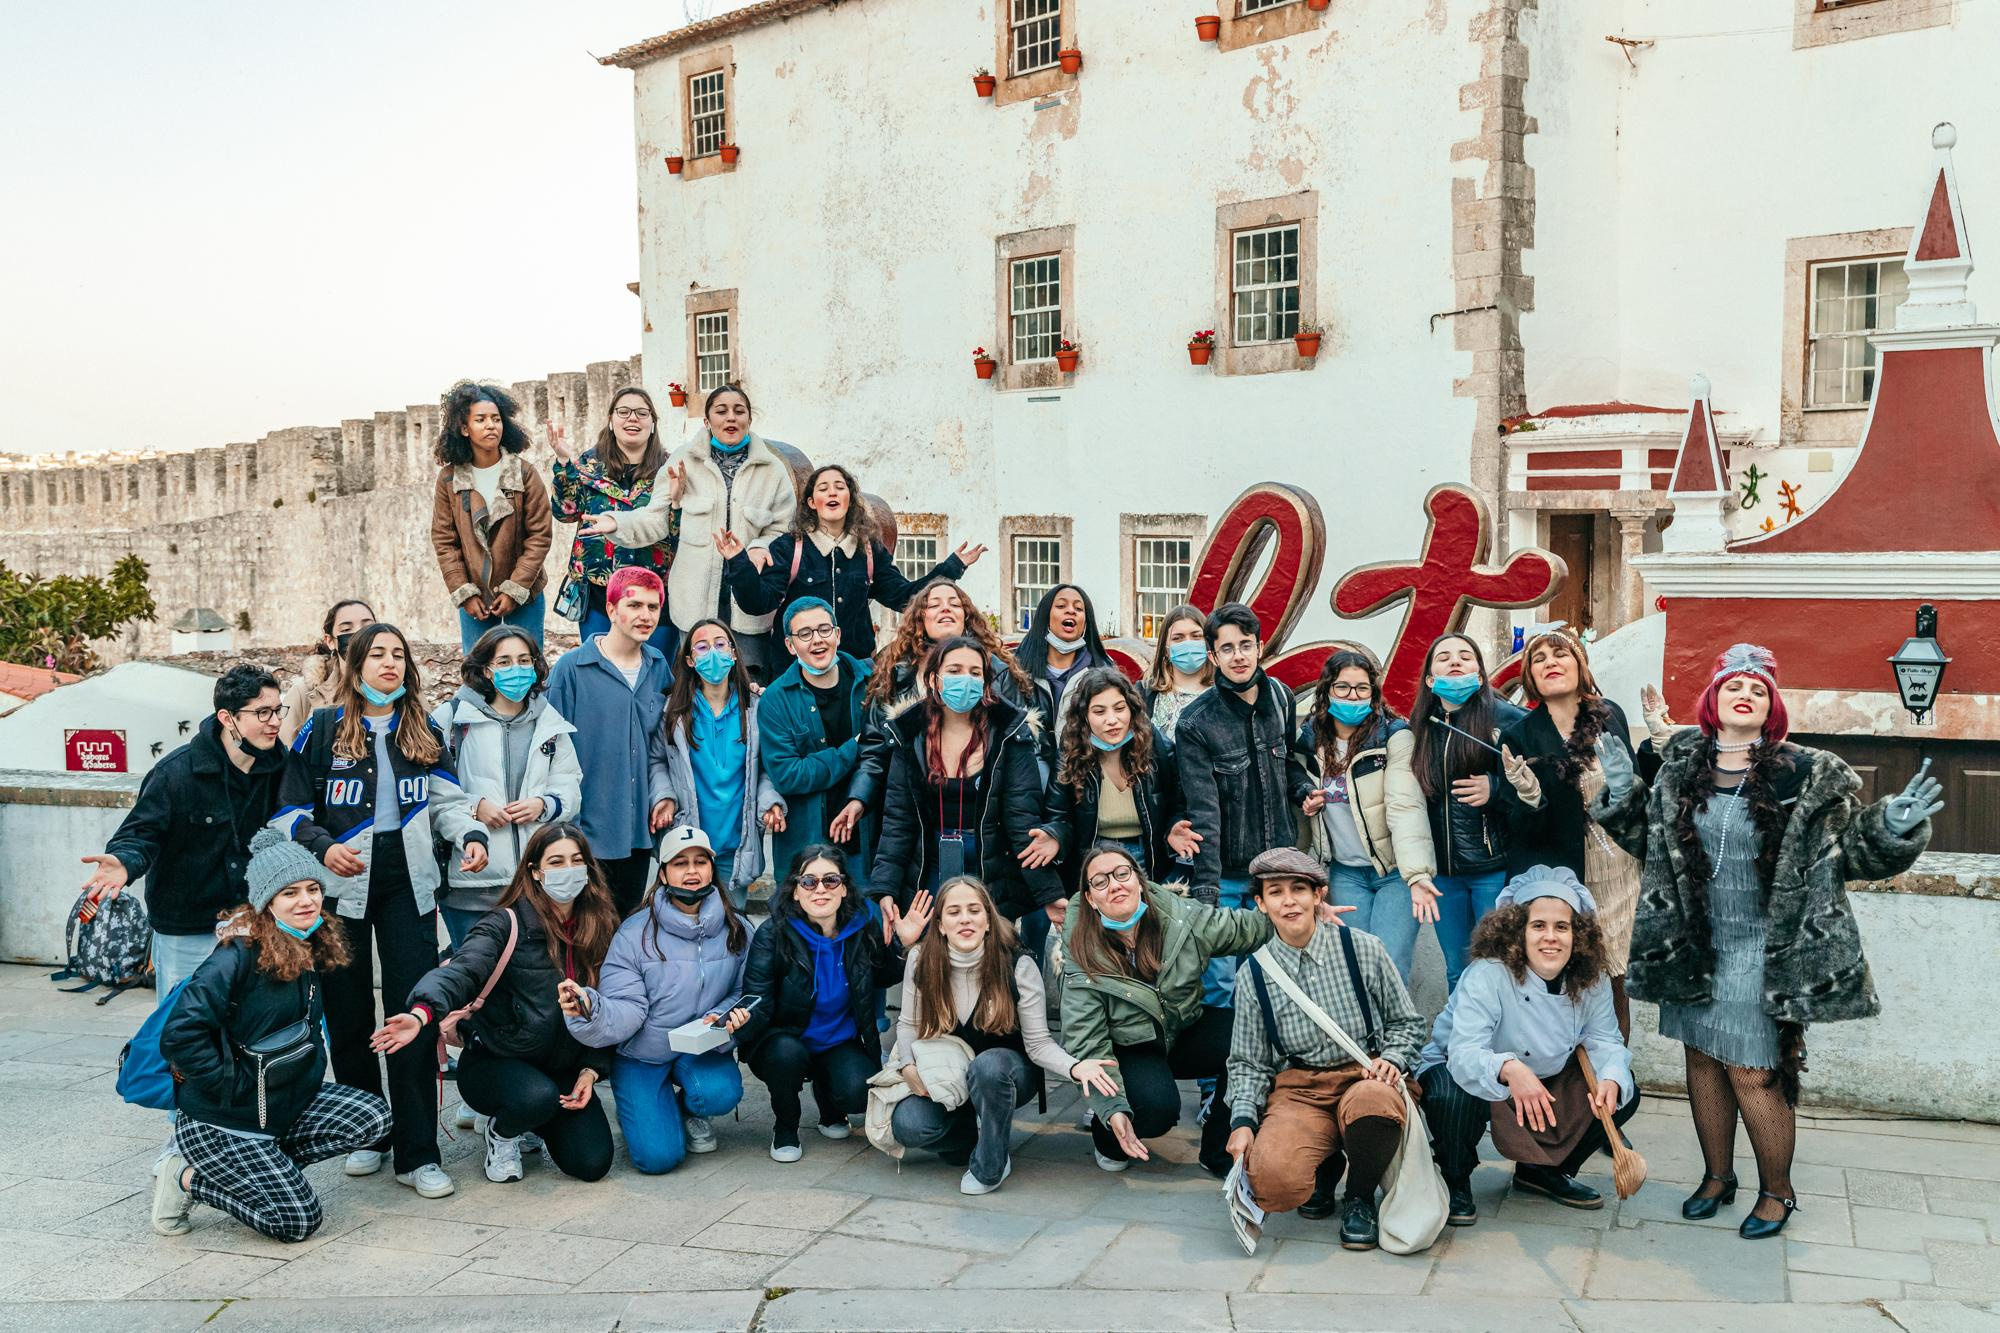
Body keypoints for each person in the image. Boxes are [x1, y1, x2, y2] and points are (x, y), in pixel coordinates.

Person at [1603, 643, 1941, 1240]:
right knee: (1702, 1060)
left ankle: (1777, 1192)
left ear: (1772, 708)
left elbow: (1851, 854)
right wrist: (1619, 794)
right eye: (1734, 685)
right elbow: (1651, 847)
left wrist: (1892, 825)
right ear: (1712, 700)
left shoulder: (1811, 775)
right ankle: (1716, 1177)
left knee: (1755, 1070)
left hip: (1766, 947)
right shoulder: (1681, 763)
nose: (1746, 693)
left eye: (1759, 689)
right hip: (1694, 942)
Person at [271, 622, 470, 1199]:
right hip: (340, 889)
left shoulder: (424, 729)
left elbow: (449, 799)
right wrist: (323, 845)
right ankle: (368, 1131)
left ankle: (418, 1151)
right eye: (377, 654)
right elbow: (287, 808)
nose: (390, 663)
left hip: (409, 884)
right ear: (355, 665)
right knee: (347, 1012)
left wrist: (471, 835)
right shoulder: (324, 727)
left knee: (412, 1011)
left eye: (398, 655)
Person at [152, 829, 392, 1242]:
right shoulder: (234, 957)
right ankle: (187, 1178)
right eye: (290, 893)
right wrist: (233, 1087)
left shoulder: (308, 943)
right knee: (297, 1222)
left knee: (373, 1119)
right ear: (266, 903)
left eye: (313, 888)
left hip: (281, 1100)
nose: (307, 901)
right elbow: (179, 1034)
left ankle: (265, 1169)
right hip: (222, 1118)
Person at [1060, 844, 1343, 1179]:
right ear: (1091, 898)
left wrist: (1300, 914)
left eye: (1122, 874)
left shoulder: (1180, 918)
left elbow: (1241, 928)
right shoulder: (1081, 950)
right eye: (1101, 881)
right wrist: (1112, 1108)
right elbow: (1087, 1043)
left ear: (1140, 881)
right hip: (1128, 1048)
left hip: (1182, 1028)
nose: (1115, 885)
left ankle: (1219, 1151)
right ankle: (1108, 1137)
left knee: (1256, 1036)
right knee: (1155, 1112)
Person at [376, 822, 622, 1185]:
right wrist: (422, 1012)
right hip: (499, 1062)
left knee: (592, 1163)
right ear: (535, 872)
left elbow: (616, 1007)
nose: (568, 870)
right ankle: (503, 1132)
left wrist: (591, 1070)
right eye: (555, 862)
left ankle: (536, 1122)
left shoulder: (602, 926)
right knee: (535, 1098)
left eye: (576, 860)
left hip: (564, 1066)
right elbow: (463, 970)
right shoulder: (505, 923)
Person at [1223, 847, 1427, 1249]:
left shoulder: (1362, 948)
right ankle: (1324, 1163)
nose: (1289, 900)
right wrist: (1242, 1121)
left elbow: (1408, 1023)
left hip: (1364, 1074)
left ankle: (1360, 1197)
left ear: (1318, 895)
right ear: (1261, 904)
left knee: (1373, 1104)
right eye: (1275, 892)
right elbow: (1248, 1061)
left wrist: (1392, 1059)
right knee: (1273, 1183)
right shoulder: (1254, 974)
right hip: (1301, 1087)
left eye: (1299, 889)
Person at [1415, 865, 1638, 1227]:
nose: (1550, 938)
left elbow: (1604, 1040)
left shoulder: (1589, 979)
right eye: (1538, 926)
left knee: (1624, 1090)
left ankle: (1542, 1171)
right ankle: (1455, 1178)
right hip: (1465, 1069)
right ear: (1517, 932)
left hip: (1545, 1074)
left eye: (1561, 927)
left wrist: (1611, 1077)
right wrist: (1509, 1068)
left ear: (1577, 934)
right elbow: (1465, 1052)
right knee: (1448, 1096)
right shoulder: (1489, 973)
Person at [890, 875, 1117, 1194]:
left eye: (974, 910)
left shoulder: (1017, 965)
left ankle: (991, 1163)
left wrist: (1075, 1067)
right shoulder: (920, 959)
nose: (965, 918)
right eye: (954, 912)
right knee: (909, 1126)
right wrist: (908, 1067)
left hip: (1005, 1074)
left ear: (987, 920)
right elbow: (908, 1023)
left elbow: (1039, 1045)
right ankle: (976, 1138)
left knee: (989, 1066)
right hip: (948, 1075)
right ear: (940, 925)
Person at [83, 665, 289, 1011]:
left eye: (277, 710)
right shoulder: (176, 773)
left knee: (247, 1021)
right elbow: (141, 833)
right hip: (187, 926)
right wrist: (123, 863)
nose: (275, 722)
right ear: (228, 717)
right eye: (262, 712)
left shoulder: (281, 767)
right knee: (184, 1022)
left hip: (256, 921)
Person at [562, 826, 754, 1172]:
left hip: (702, 1048)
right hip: (643, 1055)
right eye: (680, 863)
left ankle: (687, 1111)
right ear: (663, 872)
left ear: (712, 867)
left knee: (720, 1092)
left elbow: (745, 991)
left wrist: (726, 1015)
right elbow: (625, 1006)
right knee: (658, 1160)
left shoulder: (737, 928)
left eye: (700, 862)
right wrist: (591, 1008)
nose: (692, 872)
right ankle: (645, 1109)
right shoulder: (634, 933)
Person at [583, 384, 795, 682]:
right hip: (695, 601)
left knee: (750, 686)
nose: (730, 418)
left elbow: (784, 526)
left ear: (750, 418)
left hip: (749, 603)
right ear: (707, 421)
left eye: (739, 411)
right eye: (721, 411)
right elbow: (656, 519)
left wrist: (761, 546)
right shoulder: (682, 461)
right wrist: (617, 523)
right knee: (696, 687)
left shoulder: (772, 469)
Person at [1499, 629, 1643, 1035]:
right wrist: (1529, 797)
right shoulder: (1521, 736)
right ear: (1530, 676)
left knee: (1616, 991)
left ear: (1580, 665)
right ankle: (1569, 1089)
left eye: (1560, 654)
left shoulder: (1608, 714)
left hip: (1619, 872)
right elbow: (1521, 829)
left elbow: (1636, 800)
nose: (1550, 662)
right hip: (1561, 877)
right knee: (1566, 987)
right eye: (1539, 658)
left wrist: (1629, 780)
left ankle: (1613, 1085)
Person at [870, 636, 1057, 943]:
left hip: (990, 865)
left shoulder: (1010, 735)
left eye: (974, 673)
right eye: (954, 670)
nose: (965, 680)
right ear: (934, 679)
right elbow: (897, 822)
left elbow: (1023, 820)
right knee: (934, 958)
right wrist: (885, 889)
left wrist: (1048, 892)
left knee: (988, 962)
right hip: (930, 862)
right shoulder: (909, 735)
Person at [737, 846, 919, 1162]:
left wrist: (904, 944)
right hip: (785, 1038)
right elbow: (759, 1000)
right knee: (785, 1057)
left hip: (837, 1040)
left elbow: (882, 976)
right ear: (795, 891)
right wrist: (742, 1022)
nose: (820, 889)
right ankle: (786, 1126)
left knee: (859, 1095)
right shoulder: (773, 934)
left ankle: (829, 1103)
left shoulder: (861, 927)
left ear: (845, 888)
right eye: (809, 882)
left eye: (831, 880)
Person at [1175, 602, 1315, 1004]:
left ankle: (1269, 1067)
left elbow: (1288, 763)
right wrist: (1206, 892)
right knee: (1221, 987)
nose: (1238, 656)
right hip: (1227, 876)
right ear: (1213, 656)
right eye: (1228, 648)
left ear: (1260, 647)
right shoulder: (1195, 723)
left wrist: (1303, 791)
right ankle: (1217, 1070)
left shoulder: (1282, 698)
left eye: (1246, 645)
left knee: (1276, 982)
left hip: (1277, 870)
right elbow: (1203, 810)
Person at [832, 580, 1031, 852]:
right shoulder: (895, 674)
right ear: (920, 618)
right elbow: (874, 750)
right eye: (934, 604)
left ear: (966, 616)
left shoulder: (997, 672)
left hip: (984, 817)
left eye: (954, 604)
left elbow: (1021, 747)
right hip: (911, 815)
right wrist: (859, 798)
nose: (945, 609)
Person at [721, 462, 983, 663]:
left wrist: (952, 568)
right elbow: (757, 603)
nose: (832, 492)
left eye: (839, 487)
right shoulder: (790, 547)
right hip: (795, 671)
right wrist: (739, 562)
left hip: (854, 672)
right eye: (823, 489)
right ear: (812, 502)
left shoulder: (869, 550)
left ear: (850, 499)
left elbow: (905, 598)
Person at [430, 626, 582, 950]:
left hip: (535, 885)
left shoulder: (549, 723)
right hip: (470, 885)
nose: (517, 669)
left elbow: (570, 784)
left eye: (524, 660)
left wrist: (544, 804)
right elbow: (432, 788)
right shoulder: (453, 719)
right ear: (486, 669)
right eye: (505, 661)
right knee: (472, 983)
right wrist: (475, 806)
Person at [1299, 649, 1438, 984]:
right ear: (1327, 691)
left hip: (1394, 873)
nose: (1352, 695)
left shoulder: (1394, 736)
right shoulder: (1309, 739)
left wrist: (1417, 874)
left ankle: (1398, 1037)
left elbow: (1405, 805)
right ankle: (1362, 1039)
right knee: (1354, 966)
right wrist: (1303, 794)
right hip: (1346, 873)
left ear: (1374, 694)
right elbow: (1293, 779)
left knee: (1389, 965)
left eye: (1362, 688)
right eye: (1342, 687)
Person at [544, 566, 674, 917]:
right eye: (634, 606)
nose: (645, 616)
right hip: (587, 830)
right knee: (585, 930)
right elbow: (549, 749)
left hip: (638, 831)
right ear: (613, 610)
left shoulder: (659, 667)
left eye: (653, 607)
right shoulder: (571, 669)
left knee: (625, 927)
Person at [1407, 632, 1528, 991]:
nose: (1455, 661)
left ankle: (1504, 1045)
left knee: (1500, 965)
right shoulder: (1419, 727)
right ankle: (1462, 1046)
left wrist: (1497, 788)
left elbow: (1544, 776)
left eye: (1465, 655)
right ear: (1430, 678)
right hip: (1443, 874)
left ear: (1479, 674)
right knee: (1457, 970)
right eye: (1443, 658)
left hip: (1492, 868)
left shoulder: (1505, 719)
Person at [1022, 667, 1198, 899]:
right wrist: (1055, 834)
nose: (1112, 720)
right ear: (1084, 716)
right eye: (1099, 711)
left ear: (1131, 709)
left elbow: (1178, 801)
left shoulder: (1157, 747)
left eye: (1119, 708)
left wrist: (1173, 827)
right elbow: (1060, 815)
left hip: (1148, 857)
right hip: (1095, 857)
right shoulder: (1070, 752)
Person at [654, 617, 786, 910]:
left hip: (735, 846)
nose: (712, 653)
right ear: (689, 660)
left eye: (720, 644)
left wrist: (769, 801)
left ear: (734, 652)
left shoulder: (756, 708)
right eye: (702, 647)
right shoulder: (673, 712)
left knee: (731, 925)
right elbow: (658, 761)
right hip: (690, 843)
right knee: (687, 921)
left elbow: (767, 767)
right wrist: (663, 797)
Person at [548, 385, 681, 658]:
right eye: (623, 411)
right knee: (602, 672)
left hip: (655, 594)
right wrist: (563, 462)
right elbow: (566, 511)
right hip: (600, 594)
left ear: (653, 424)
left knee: (655, 675)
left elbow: (677, 529)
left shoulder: (670, 469)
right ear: (611, 420)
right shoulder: (586, 465)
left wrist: (678, 504)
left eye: (642, 413)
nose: (633, 418)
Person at [759, 598, 877, 888]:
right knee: (802, 930)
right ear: (790, 645)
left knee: (866, 929)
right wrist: (854, 747)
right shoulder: (776, 699)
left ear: (837, 634)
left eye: (824, 630)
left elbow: (884, 755)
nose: (817, 641)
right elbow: (788, 775)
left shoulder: (872, 683)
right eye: (805, 634)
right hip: (808, 845)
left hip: (867, 841)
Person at [429, 381, 552, 652]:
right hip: (476, 599)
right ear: (464, 428)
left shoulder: (524, 473)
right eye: (481, 419)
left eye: (496, 419)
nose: (491, 425)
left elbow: (539, 535)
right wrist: (464, 592)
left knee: (528, 667)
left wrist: (515, 589)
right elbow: (444, 540)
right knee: (478, 672)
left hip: (525, 595)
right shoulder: (449, 480)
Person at [1013, 584, 1114, 769]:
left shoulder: (1104, 671)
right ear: (1045, 616)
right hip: (1028, 774)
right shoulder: (1015, 669)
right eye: (1061, 606)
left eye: (1078, 608)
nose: (1071, 611)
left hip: (1084, 773)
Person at [280, 600, 375, 746]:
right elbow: (283, 751)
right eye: (346, 630)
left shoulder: (404, 687)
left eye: (368, 626)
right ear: (330, 641)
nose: (359, 635)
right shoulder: (305, 692)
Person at [1139, 604, 1212, 742]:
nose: (1188, 644)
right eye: (1178, 638)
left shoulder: (1223, 693)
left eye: (1196, 636)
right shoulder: (1144, 694)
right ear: (1165, 648)